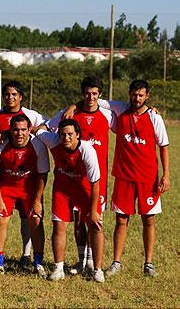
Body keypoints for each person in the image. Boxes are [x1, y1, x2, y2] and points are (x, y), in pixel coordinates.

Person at [97, 80, 170, 278]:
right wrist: (73, 106)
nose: (136, 98)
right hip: (124, 176)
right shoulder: (120, 110)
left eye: (140, 95)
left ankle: (149, 263)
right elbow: (97, 100)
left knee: (149, 220)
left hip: (148, 178)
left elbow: (163, 146)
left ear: (147, 96)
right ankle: (116, 262)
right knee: (121, 220)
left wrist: (166, 175)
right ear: (129, 93)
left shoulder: (154, 117)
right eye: (133, 94)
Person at [46, 76, 114, 275]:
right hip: (71, 177)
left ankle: (93, 263)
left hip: (94, 180)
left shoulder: (109, 115)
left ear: (99, 95)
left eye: (94, 93)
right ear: (82, 94)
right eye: (86, 93)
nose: (90, 97)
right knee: (76, 223)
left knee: (93, 221)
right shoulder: (70, 114)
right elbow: (47, 127)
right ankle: (81, 260)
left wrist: (151, 110)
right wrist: (72, 106)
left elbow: (129, 112)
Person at [0, 81, 46, 269]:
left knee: (35, 218)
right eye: (15, 130)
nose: (19, 134)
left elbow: (43, 174)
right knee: (0, 217)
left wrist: (37, 199)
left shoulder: (37, 144)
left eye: (23, 130)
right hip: (7, 186)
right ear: (9, 130)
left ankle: (36, 261)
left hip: (29, 186)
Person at [35, 119, 104, 282]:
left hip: (85, 189)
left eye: (70, 134)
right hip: (62, 190)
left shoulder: (87, 150)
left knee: (96, 225)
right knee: (59, 226)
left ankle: (97, 269)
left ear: (77, 135)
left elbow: (96, 183)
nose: (66, 138)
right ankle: (59, 268)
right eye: (63, 134)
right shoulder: (52, 140)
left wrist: (94, 211)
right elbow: (34, 130)